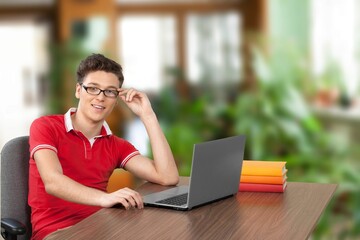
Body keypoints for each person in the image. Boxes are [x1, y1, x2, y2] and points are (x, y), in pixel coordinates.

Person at [28, 53, 179, 240]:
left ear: (116, 98)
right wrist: (105, 198)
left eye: (109, 91)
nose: (100, 98)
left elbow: (168, 177)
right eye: (92, 88)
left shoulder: (116, 145)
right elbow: (53, 182)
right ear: (78, 90)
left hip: (103, 228)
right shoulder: (46, 126)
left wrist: (148, 116)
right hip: (58, 233)